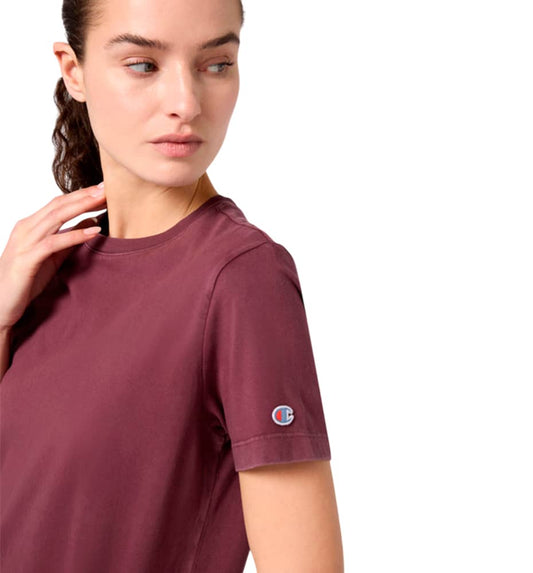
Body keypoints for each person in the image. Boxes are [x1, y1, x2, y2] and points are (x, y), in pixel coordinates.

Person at [0, 0, 344, 571]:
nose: (186, 103)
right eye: (143, 65)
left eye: (216, 64)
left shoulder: (243, 278)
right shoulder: (47, 270)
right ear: (73, 71)